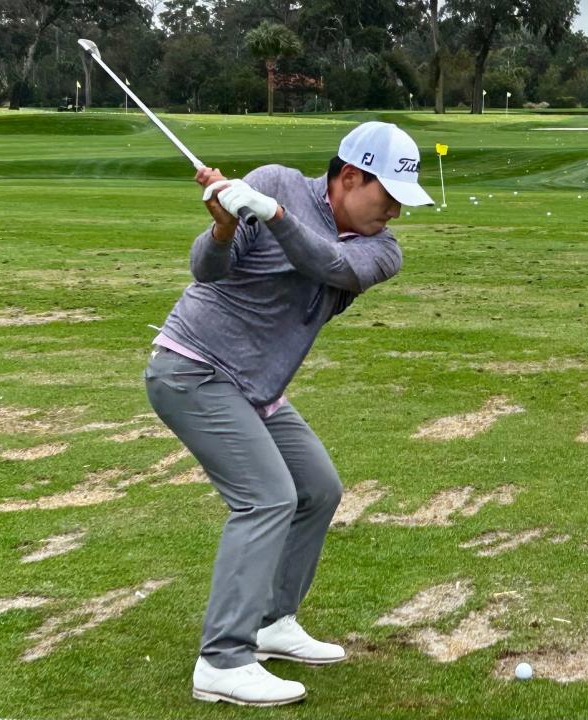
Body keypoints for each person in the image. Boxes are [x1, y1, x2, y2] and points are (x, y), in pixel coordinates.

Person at [144, 122, 433, 706]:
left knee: (318, 489)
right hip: (191, 367)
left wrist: (271, 215)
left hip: (257, 386)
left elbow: (329, 264)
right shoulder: (276, 182)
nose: (397, 212)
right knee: (267, 496)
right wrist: (224, 228)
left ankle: (274, 622)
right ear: (350, 177)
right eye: (391, 196)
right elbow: (207, 270)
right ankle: (222, 660)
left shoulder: (382, 251)